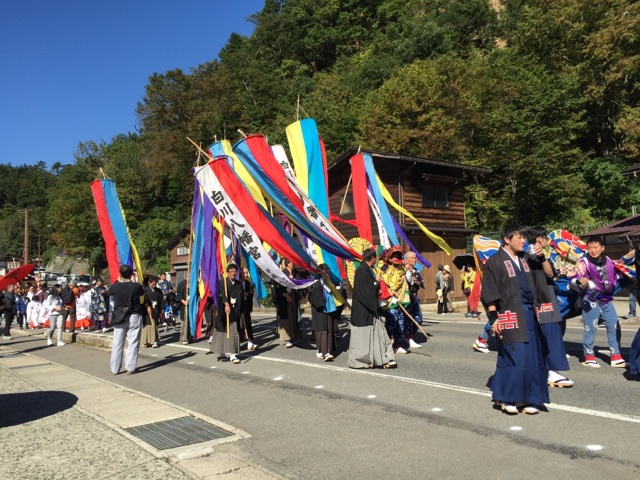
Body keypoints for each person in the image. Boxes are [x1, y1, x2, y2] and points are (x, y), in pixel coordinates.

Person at [481, 223, 549, 415]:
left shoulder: (526, 259)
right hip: (508, 313)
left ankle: (527, 398)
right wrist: (494, 319)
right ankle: (505, 397)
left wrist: (542, 256)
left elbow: (547, 275)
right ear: (507, 239)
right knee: (513, 356)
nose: (523, 240)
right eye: (519, 237)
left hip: (528, 313)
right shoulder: (495, 261)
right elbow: (489, 292)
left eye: (524, 237)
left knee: (531, 357)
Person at [526, 226, 573, 388]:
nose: (547, 241)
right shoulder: (528, 252)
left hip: (541, 296)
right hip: (542, 298)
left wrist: (556, 269)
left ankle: (543, 369)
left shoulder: (538, 254)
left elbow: (551, 273)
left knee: (543, 333)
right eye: (545, 238)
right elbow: (548, 274)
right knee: (550, 333)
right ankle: (552, 371)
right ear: (539, 238)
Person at [572, 235, 626, 368]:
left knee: (614, 325)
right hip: (591, 299)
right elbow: (576, 276)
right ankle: (588, 356)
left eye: (596, 247)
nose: (593, 250)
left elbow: (616, 273)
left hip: (607, 299)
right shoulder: (583, 262)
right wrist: (580, 280)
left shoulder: (608, 260)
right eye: (590, 247)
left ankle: (616, 356)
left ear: (602, 248)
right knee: (590, 328)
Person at [348, 248, 396, 369]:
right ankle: (364, 360)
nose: (377, 260)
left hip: (369, 308)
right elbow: (366, 290)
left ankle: (383, 358)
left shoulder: (367, 270)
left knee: (379, 333)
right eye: (376, 258)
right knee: (367, 336)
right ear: (373, 258)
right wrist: (376, 282)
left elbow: (370, 288)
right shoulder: (362, 270)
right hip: (363, 310)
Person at [107, 265, 146, 375]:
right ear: (131, 275)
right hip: (134, 314)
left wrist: (117, 281)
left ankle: (115, 368)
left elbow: (108, 292)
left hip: (119, 315)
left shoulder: (115, 286)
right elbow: (141, 295)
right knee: (133, 342)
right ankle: (130, 367)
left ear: (120, 274)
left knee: (118, 342)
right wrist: (133, 281)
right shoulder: (136, 286)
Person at [379, 246, 410, 354]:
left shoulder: (402, 269)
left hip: (399, 300)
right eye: (394, 255)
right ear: (388, 257)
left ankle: (398, 344)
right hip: (389, 301)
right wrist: (390, 291)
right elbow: (382, 284)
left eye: (398, 255)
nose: (397, 257)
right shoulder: (383, 269)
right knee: (391, 322)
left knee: (400, 323)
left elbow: (404, 284)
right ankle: (386, 344)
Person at [308, 264, 343, 361]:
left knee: (329, 329)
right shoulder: (315, 282)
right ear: (320, 271)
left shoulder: (329, 281)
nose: (328, 272)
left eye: (328, 270)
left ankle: (327, 351)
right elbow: (313, 297)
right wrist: (322, 281)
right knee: (322, 330)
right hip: (320, 310)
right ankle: (321, 351)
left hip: (330, 308)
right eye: (326, 270)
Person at [210, 263, 243, 363]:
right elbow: (222, 294)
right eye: (231, 271)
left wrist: (240, 307)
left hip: (234, 311)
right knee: (221, 332)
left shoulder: (239, 284)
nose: (233, 273)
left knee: (233, 331)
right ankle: (221, 353)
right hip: (224, 311)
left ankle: (232, 354)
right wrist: (226, 304)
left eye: (235, 271)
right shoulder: (222, 282)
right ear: (228, 272)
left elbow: (240, 297)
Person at [275, 258, 301, 348]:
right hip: (284, 299)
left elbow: (299, 283)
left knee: (293, 318)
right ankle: (287, 339)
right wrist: (286, 296)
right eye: (291, 262)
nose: (293, 263)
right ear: (287, 264)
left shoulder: (295, 272)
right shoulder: (282, 274)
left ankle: (293, 337)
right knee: (286, 319)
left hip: (293, 298)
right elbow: (278, 288)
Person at [404, 251, 424, 348]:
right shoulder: (401, 269)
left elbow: (421, 283)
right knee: (407, 318)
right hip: (405, 297)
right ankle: (408, 338)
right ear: (406, 259)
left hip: (414, 297)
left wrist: (416, 283)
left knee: (418, 318)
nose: (414, 259)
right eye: (412, 258)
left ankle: (410, 335)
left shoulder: (416, 271)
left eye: (415, 258)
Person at [240, 267, 258, 351]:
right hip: (239, 308)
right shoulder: (237, 283)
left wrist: (250, 291)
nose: (246, 275)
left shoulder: (247, 283)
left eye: (247, 273)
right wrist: (243, 293)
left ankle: (250, 342)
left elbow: (250, 294)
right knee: (240, 326)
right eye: (244, 273)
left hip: (246, 307)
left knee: (248, 324)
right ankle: (239, 342)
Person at [141, 276, 162, 348]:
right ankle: (146, 341)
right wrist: (147, 306)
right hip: (146, 310)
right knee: (147, 325)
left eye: (155, 284)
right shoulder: (144, 290)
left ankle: (154, 340)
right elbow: (142, 300)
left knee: (154, 325)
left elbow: (161, 301)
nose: (154, 286)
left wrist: (160, 309)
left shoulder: (159, 291)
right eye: (153, 284)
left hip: (155, 310)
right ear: (149, 283)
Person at [177, 278, 191, 345]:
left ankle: (189, 337)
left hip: (191, 304)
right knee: (184, 321)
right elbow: (179, 294)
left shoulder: (194, 284)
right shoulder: (182, 283)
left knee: (190, 321)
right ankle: (183, 338)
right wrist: (183, 301)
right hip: (183, 305)